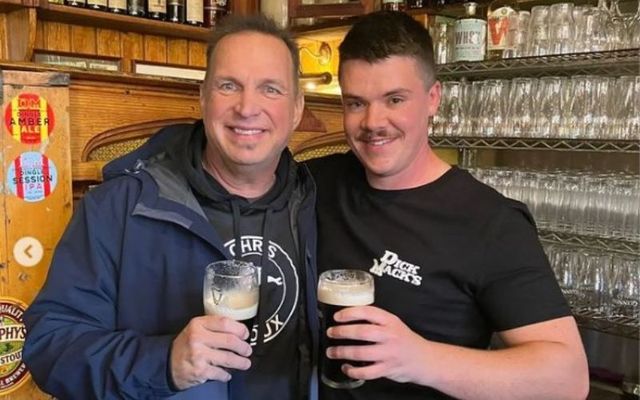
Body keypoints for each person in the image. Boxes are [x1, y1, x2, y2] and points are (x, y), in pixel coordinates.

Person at [23, 14, 318, 400]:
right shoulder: (118, 207)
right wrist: (163, 362)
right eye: (229, 86)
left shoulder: (319, 202)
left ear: (296, 109)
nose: (248, 107)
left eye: (271, 89)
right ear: (203, 97)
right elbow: (50, 346)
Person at [306, 10, 589, 400]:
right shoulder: (314, 183)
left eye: (395, 99)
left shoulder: (490, 221)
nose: (373, 121)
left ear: (433, 99)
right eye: (356, 103)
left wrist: (419, 358)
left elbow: (567, 379)